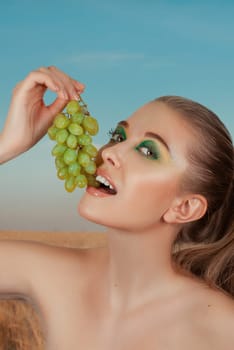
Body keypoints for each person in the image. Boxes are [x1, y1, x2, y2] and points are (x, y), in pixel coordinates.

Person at [0, 66, 233, 350]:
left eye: (148, 151)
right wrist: (6, 146)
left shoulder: (222, 328)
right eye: (119, 136)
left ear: (185, 207)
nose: (108, 152)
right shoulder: (52, 274)